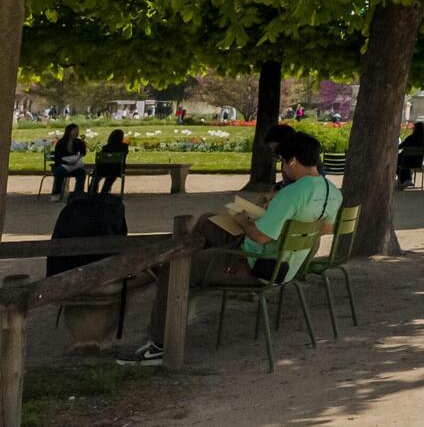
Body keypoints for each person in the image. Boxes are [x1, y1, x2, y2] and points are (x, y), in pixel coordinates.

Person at [122, 131, 341, 367]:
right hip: (287, 261)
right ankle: (195, 264)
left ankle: (158, 345)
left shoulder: (291, 193)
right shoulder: (332, 192)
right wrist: (283, 221)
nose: (283, 168)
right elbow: (325, 229)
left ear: (293, 162)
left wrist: (243, 220)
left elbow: (259, 236)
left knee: (177, 267)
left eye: (283, 163)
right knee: (208, 222)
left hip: (256, 263)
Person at [50, 124, 87, 201]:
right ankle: (56, 193)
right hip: (61, 164)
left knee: (81, 173)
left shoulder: (78, 142)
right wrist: (67, 162)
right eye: (75, 130)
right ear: (69, 131)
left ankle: (78, 194)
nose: (77, 132)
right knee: (60, 171)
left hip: (73, 165)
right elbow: (58, 157)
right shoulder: (61, 142)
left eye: (77, 130)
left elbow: (83, 153)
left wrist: (83, 144)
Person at [92, 128, 129, 195]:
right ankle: (104, 192)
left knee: (96, 176)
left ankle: (92, 191)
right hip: (117, 170)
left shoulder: (105, 148)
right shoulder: (124, 147)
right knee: (111, 177)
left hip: (102, 170)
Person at [396, 122, 424, 188]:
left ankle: (405, 180)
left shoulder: (410, 138)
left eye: (413, 128)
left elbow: (400, 147)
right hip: (418, 162)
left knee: (395, 162)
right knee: (402, 161)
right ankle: (405, 180)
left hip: (405, 161)